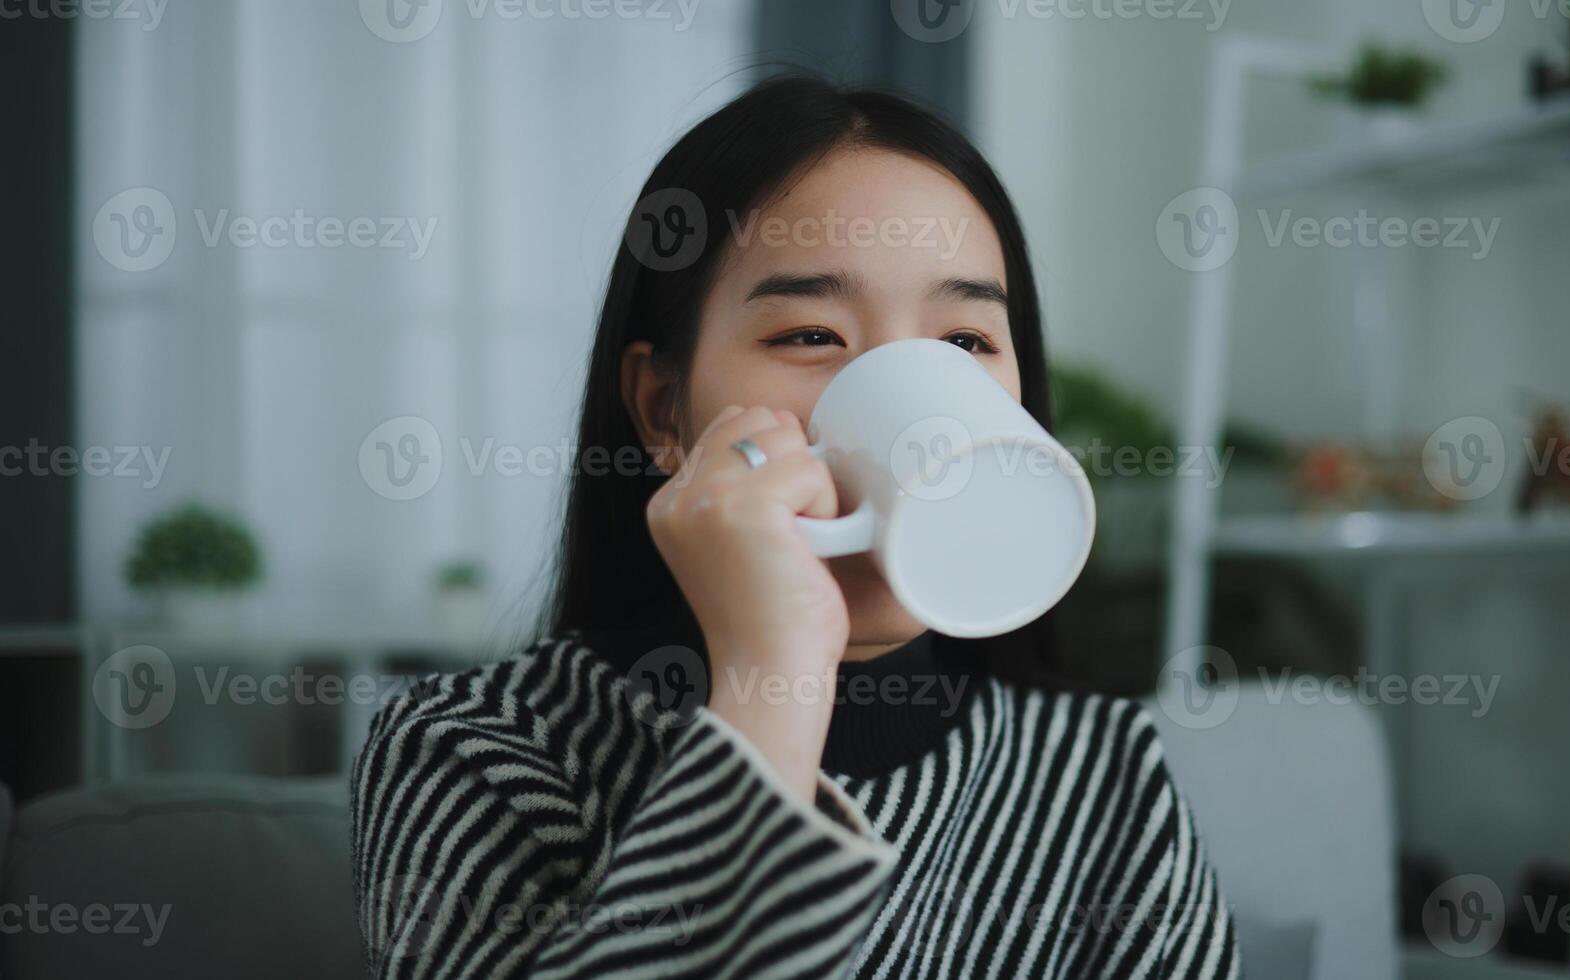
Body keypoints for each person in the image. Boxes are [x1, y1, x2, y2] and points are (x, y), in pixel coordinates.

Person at [350, 73, 1243, 979]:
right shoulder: (479, 748)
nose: (926, 411)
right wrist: (773, 672)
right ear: (663, 410)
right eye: (811, 335)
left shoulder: (1103, 772)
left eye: (966, 343)